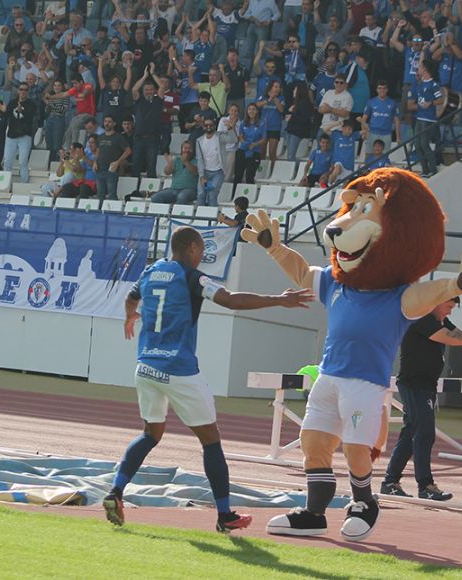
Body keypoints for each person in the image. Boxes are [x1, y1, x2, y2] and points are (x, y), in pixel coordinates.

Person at [103, 226, 313, 533]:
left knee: (151, 433)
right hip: (178, 369)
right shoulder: (192, 277)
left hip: (146, 366)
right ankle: (225, 513)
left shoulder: (150, 271)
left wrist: (129, 315)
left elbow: (131, 296)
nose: (202, 256)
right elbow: (230, 300)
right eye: (200, 250)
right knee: (211, 440)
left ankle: (116, 491)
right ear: (190, 248)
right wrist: (279, 300)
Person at [377, 297, 462, 501]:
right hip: (414, 385)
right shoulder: (422, 318)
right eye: (449, 306)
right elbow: (457, 339)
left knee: (411, 433)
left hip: (425, 386)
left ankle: (390, 483)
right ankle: (425, 485)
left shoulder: (439, 320)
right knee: (425, 432)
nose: (450, 312)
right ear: (435, 302)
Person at [408, 59, 444, 178]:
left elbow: (441, 100)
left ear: (425, 69)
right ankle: (425, 169)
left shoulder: (433, 85)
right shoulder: (420, 84)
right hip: (419, 117)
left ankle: (433, 169)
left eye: (420, 67)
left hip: (429, 119)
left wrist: (431, 103)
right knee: (417, 144)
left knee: (424, 143)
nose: (418, 69)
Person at [1, 83, 38, 183]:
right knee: (7, 161)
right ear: (18, 91)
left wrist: (21, 111)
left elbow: (29, 118)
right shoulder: (12, 102)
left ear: (28, 91)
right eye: (21, 89)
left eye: (25, 90)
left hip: (25, 136)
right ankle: (5, 183)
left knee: (23, 162)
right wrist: (4, 111)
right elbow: (6, 116)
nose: (23, 92)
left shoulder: (31, 104)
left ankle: (24, 183)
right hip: (11, 136)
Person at [195, 117, 231, 206]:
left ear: (215, 126)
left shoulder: (220, 137)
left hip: (218, 172)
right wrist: (202, 176)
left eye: (211, 125)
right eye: (206, 125)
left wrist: (230, 128)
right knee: (200, 195)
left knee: (212, 195)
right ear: (203, 127)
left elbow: (233, 139)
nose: (208, 127)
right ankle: (199, 218)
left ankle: (212, 218)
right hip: (205, 172)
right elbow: (199, 159)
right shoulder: (199, 140)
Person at [94, 114, 131, 201]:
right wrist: (95, 162)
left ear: (114, 124)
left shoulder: (118, 137)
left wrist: (118, 162)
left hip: (112, 169)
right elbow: (98, 150)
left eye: (109, 122)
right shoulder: (100, 137)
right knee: (100, 195)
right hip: (100, 169)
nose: (107, 124)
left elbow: (128, 151)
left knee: (112, 194)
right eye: (105, 121)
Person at [360, 80, 400, 160]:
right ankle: (366, 172)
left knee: (384, 157)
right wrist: (364, 132)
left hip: (386, 133)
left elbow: (397, 120)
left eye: (384, 88)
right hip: (372, 132)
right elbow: (364, 119)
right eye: (380, 88)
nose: (382, 90)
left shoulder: (392, 103)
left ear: (387, 90)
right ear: (377, 90)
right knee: (368, 155)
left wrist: (398, 136)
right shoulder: (371, 102)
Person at [233, 102, 267, 186]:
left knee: (249, 176)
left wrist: (254, 144)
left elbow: (264, 139)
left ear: (257, 111)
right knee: (237, 176)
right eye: (249, 109)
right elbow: (240, 136)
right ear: (247, 111)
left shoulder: (262, 123)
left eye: (253, 109)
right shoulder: (243, 123)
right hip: (243, 150)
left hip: (255, 152)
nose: (251, 111)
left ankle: (249, 196)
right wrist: (245, 143)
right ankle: (235, 195)